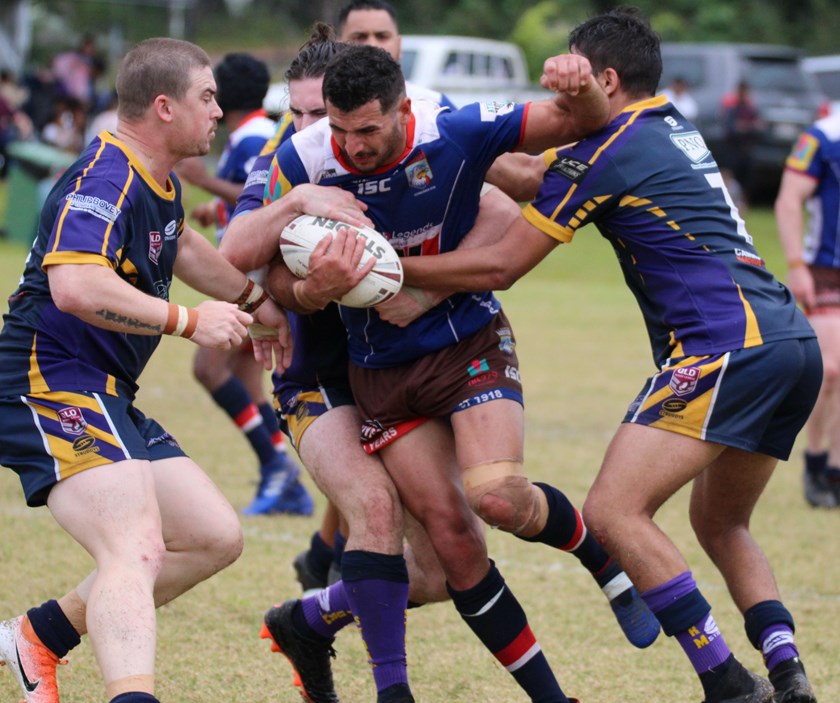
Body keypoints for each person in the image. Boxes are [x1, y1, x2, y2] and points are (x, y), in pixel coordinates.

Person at [398, 9, 819, 703]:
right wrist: (452, 139)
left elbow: (502, 266)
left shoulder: (607, 151)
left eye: (569, 91)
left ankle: (726, 682)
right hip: (789, 342)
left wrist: (395, 267)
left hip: (727, 345)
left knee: (614, 511)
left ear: (607, 82)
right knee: (720, 523)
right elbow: (531, 177)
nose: (560, 108)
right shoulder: (665, 123)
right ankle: (789, 674)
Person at [246, 42, 662, 703]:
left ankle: (314, 618)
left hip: (455, 348)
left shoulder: (443, 128)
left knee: (482, 518)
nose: (335, 139)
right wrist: (293, 288)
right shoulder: (293, 162)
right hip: (346, 373)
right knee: (414, 531)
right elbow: (242, 258)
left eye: (348, 124)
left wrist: (579, 88)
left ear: (401, 104)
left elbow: (515, 183)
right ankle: (368, 664)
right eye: (310, 118)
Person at [0, 37, 292, 703]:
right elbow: (75, 285)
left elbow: (181, 244)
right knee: (134, 546)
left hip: (104, 388)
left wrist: (258, 305)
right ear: (164, 107)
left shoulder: (157, 179)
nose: (217, 110)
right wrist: (189, 321)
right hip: (49, 380)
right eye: (206, 97)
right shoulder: (106, 178)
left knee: (213, 535)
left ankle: (38, 635)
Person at [174, 51, 313, 516]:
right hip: (245, 274)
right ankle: (283, 476)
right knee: (249, 383)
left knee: (209, 369)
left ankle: (277, 466)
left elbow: (271, 199)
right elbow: (248, 202)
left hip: (253, 279)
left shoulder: (254, 135)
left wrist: (206, 183)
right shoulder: (250, 133)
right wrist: (215, 210)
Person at [775, 107, 840, 509]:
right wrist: (796, 265)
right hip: (825, 270)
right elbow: (788, 200)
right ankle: (815, 460)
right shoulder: (823, 136)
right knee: (830, 369)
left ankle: (835, 469)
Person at [721, 80, 763, 205]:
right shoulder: (732, 110)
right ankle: (729, 200)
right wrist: (746, 127)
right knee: (731, 177)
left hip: (747, 150)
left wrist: (744, 127)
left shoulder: (752, 110)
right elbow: (730, 129)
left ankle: (744, 203)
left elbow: (760, 128)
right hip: (733, 150)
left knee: (747, 180)